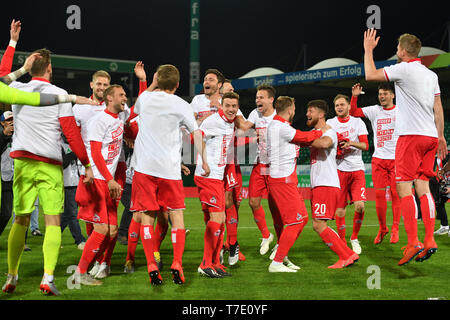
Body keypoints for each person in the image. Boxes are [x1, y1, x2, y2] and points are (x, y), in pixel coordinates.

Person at [2, 48, 93, 296]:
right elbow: (71, 133)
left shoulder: (18, 90)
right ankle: (47, 278)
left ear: (32, 67)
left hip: (22, 162)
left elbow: (1, 78)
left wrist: (12, 44)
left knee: (20, 219)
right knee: (52, 220)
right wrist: (86, 163)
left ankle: (11, 277)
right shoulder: (61, 94)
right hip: (49, 164)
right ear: (50, 68)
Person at [363, 29, 448, 265]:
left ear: (403, 50)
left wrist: (368, 49)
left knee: (403, 190)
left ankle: (413, 242)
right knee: (423, 187)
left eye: (397, 48)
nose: (396, 51)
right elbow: (438, 107)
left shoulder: (403, 68)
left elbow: (370, 75)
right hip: (430, 136)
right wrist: (440, 136)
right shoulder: (431, 75)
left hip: (410, 136)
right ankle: (429, 239)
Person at [130, 64, 209, 285]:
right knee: (176, 217)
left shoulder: (145, 99)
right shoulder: (181, 105)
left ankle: (151, 264)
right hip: (169, 170)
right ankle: (176, 262)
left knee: (147, 218)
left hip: (144, 169)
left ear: (158, 80)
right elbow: (196, 134)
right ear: (177, 84)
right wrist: (205, 160)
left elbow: (136, 108)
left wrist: (149, 81)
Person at [74, 84, 129, 286]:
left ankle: (102, 264)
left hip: (109, 181)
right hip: (97, 180)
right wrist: (109, 179)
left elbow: (141, 105)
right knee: (101, 229)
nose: (125, 98)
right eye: (121, 95)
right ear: (109, 99)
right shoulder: (99, 120)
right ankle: (80, 273)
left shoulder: (120, 117)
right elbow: (95, 153)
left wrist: (146, 81)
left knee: (112, 231)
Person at [266, 96, 323, 272]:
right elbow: (304, 137)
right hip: (282, 180)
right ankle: (276, 262)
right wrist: (321, 131)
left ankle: (281, 251)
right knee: (295, 221)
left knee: (303, 218)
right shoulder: (281, 127)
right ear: (290, 109)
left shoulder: (279, 126)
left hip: (285, 179)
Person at [306, 99, 359, 268]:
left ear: (321, 114)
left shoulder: (329, 131)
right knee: (319, 223)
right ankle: (349, 254)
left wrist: (299, 138)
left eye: (311, 111)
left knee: (318, 224)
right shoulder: (316, 132)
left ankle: (344, 256)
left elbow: (324, 144)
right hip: (319, 184)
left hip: (326, 184)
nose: (307, 114)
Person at [195, 91, 240, 278]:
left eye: (234, 106)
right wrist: (204, 162)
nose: (231, 109)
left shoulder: (231, 123)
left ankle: (215, 263)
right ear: (222, 105)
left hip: (217, 176)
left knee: (220, 220)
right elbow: (197, 135)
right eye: (227, 106)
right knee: (217, 219)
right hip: (208, 175)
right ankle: (205, 263)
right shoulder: (214, 121)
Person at [350, 82, 401, 244]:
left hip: (396, 159)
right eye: (380, 94)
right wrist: (354, 96)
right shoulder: (374, 110)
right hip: (378, 158)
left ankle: (395, 229)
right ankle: (382, 228)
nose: (382, 96)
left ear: (393, 95)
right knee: (379, 196)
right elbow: (354, 112)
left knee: (395, 194)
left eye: (385, 93)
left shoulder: (401, 110)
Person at [234, 84, 280, 256]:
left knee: (277, 206)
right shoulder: (255, 113)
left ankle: (281, 244)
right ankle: (266, 235)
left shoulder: (279, 116)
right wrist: (234, 110)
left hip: (276, 166)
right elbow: (244, 127)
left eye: (261, 97)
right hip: (259, 164)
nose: (257, 100)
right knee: (253, 202)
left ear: (271, 99)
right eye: (256, 97)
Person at [326, 94, 369, 255]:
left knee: (360, 206)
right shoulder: (330, 123)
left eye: (342, 104)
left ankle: (354, 237)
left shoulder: (358, 122)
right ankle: (343, 241)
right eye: (337, 105)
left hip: (357, 169)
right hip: (338, 170)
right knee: (340, 210)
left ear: (349, 106)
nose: (339, 107)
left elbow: (365, 145)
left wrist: (350, 143)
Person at [61, 135, 86, 249]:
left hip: (76, 182)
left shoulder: (75, 144)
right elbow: (62, 163)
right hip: (66, 183)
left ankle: (54, 234)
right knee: (72, 213)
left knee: (67, 214)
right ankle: (79, 240)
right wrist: (74, 153)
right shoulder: (59, 144)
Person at [432, 152, 450, 235]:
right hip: (446, 181)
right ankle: (444, 226)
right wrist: (442, 181)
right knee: (439, 202)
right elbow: (442, 170)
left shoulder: (447, 155)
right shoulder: (438, 157)